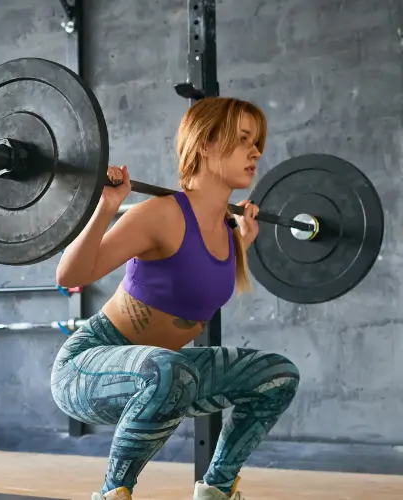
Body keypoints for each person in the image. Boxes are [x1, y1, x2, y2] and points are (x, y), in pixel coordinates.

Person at [52, 97, 301, 500]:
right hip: (86, 369)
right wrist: (106, 208)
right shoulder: (161, 215)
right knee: (170, 372)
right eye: (242, 139)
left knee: (277, 375)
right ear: (205, 143)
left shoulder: (227, 232)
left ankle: (216, 491)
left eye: (257, 142)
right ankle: (113, 493)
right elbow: (70, 276)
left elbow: (197, 284)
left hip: (167, 374)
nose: (255, 151)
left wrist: (243, 245)